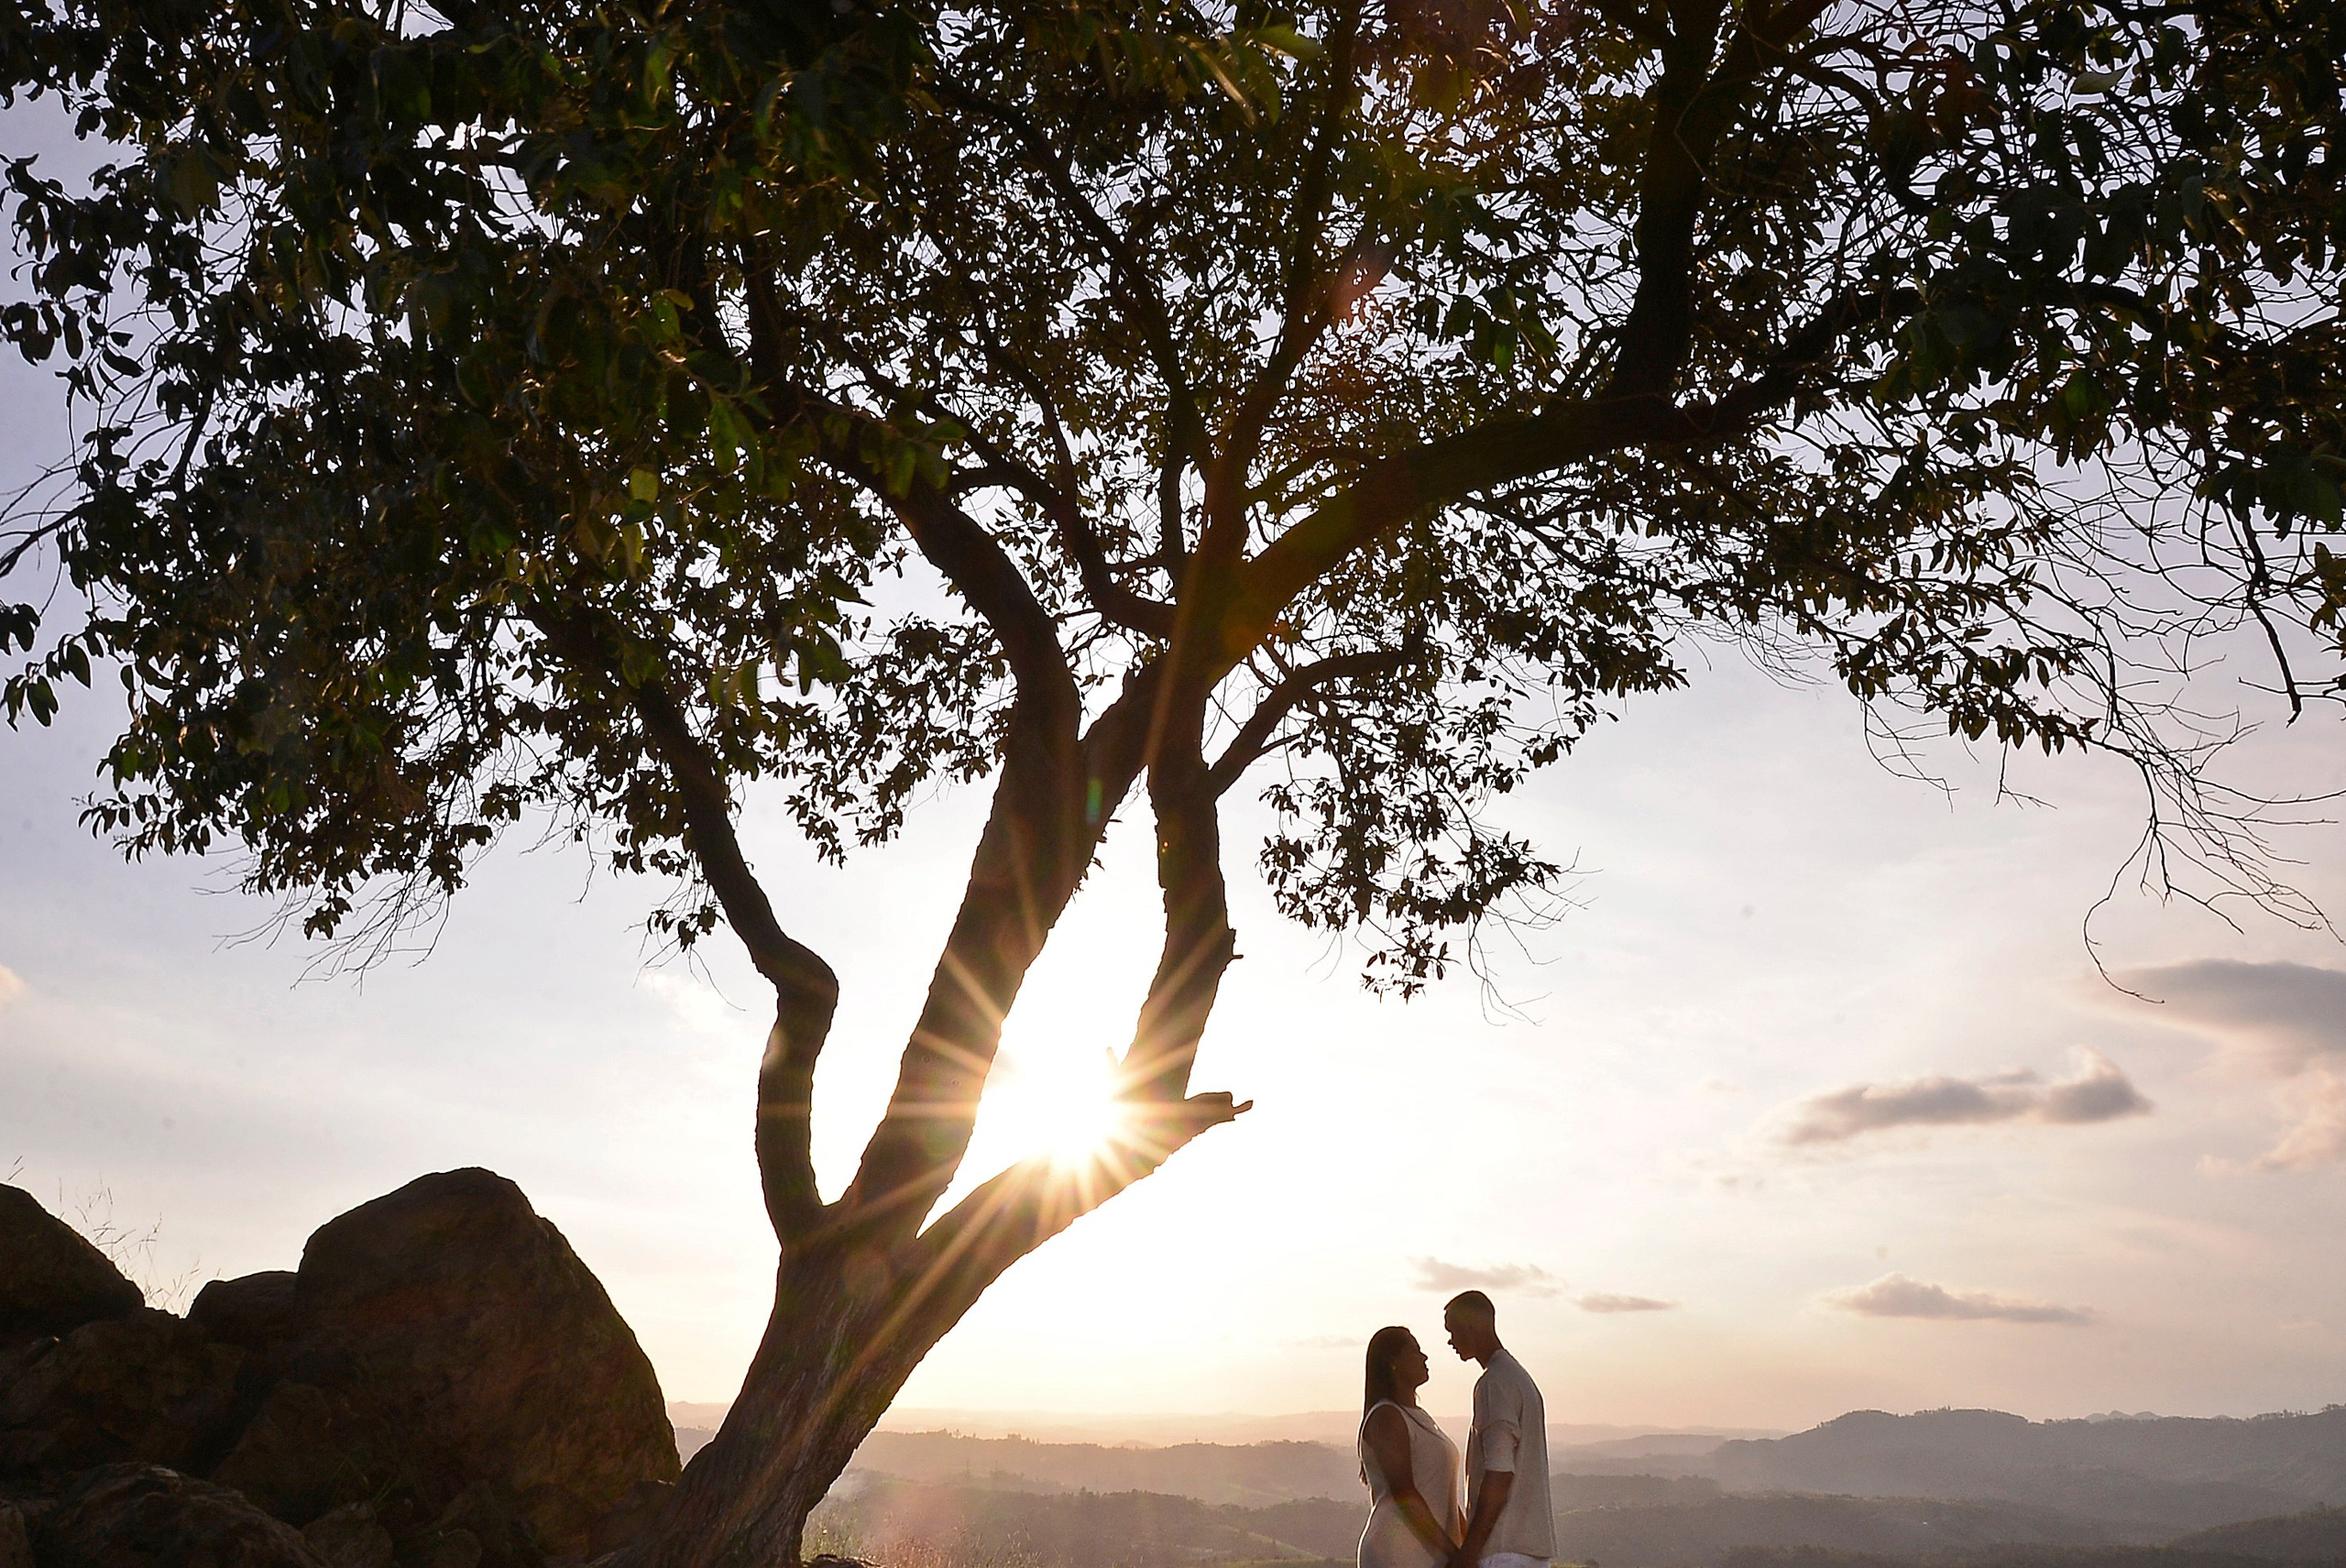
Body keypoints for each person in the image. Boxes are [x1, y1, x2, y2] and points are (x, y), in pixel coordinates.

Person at [1442, 1290, 1554, 1568]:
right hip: (1528, 1550)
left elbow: (1499, 1473)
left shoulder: (1494, 1383)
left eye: (1453, 1330)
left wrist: (1470, 1551)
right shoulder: (1518, 1377)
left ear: (1472, 1327)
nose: (1450, 1341)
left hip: (1504, 1551)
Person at [1357, 1324, 1464, 1568]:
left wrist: (1466, 1549)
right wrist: (1453, 1553)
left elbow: (1441, 1491)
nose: (1424, 1357)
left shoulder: (1419, 1417)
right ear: (1393, 1362)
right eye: (1415, 1351)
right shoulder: (1386, 1417)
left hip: (1430, 1553)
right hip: (1396, 1554)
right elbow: (1405, 1493)